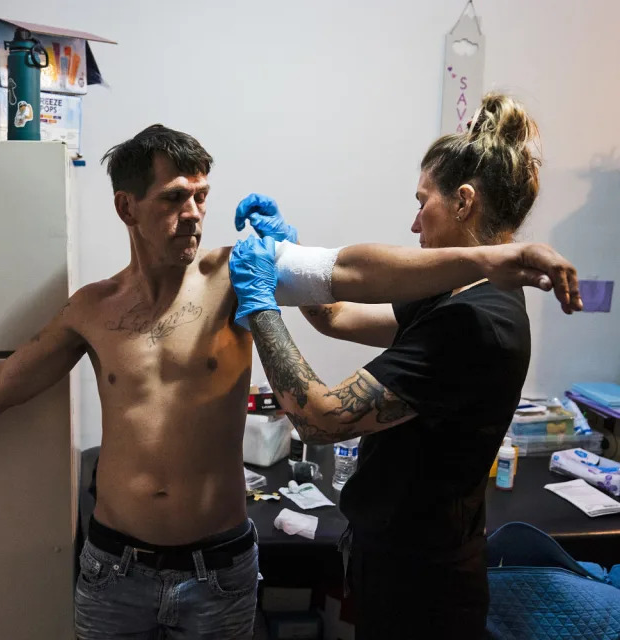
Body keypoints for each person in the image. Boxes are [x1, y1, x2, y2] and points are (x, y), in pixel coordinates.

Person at [0, 124, 579, 639]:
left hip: (219, 568)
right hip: (114, 569)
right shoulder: (92, 310)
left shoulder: (238, 273)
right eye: (173, 197)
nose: (193, 212)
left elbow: (354, 271)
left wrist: (495, 259)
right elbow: (4, 384)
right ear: (126, 206)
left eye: (201, 193)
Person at [229, 94, 581, 639]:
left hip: (423, 586)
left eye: (423, 202)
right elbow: (339, 316)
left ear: (464, 202)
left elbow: (320, 418)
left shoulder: (472, 321)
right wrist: (289, 254)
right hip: (403, 559)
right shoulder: (458, 290)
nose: (414, 223)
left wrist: (261, 310)